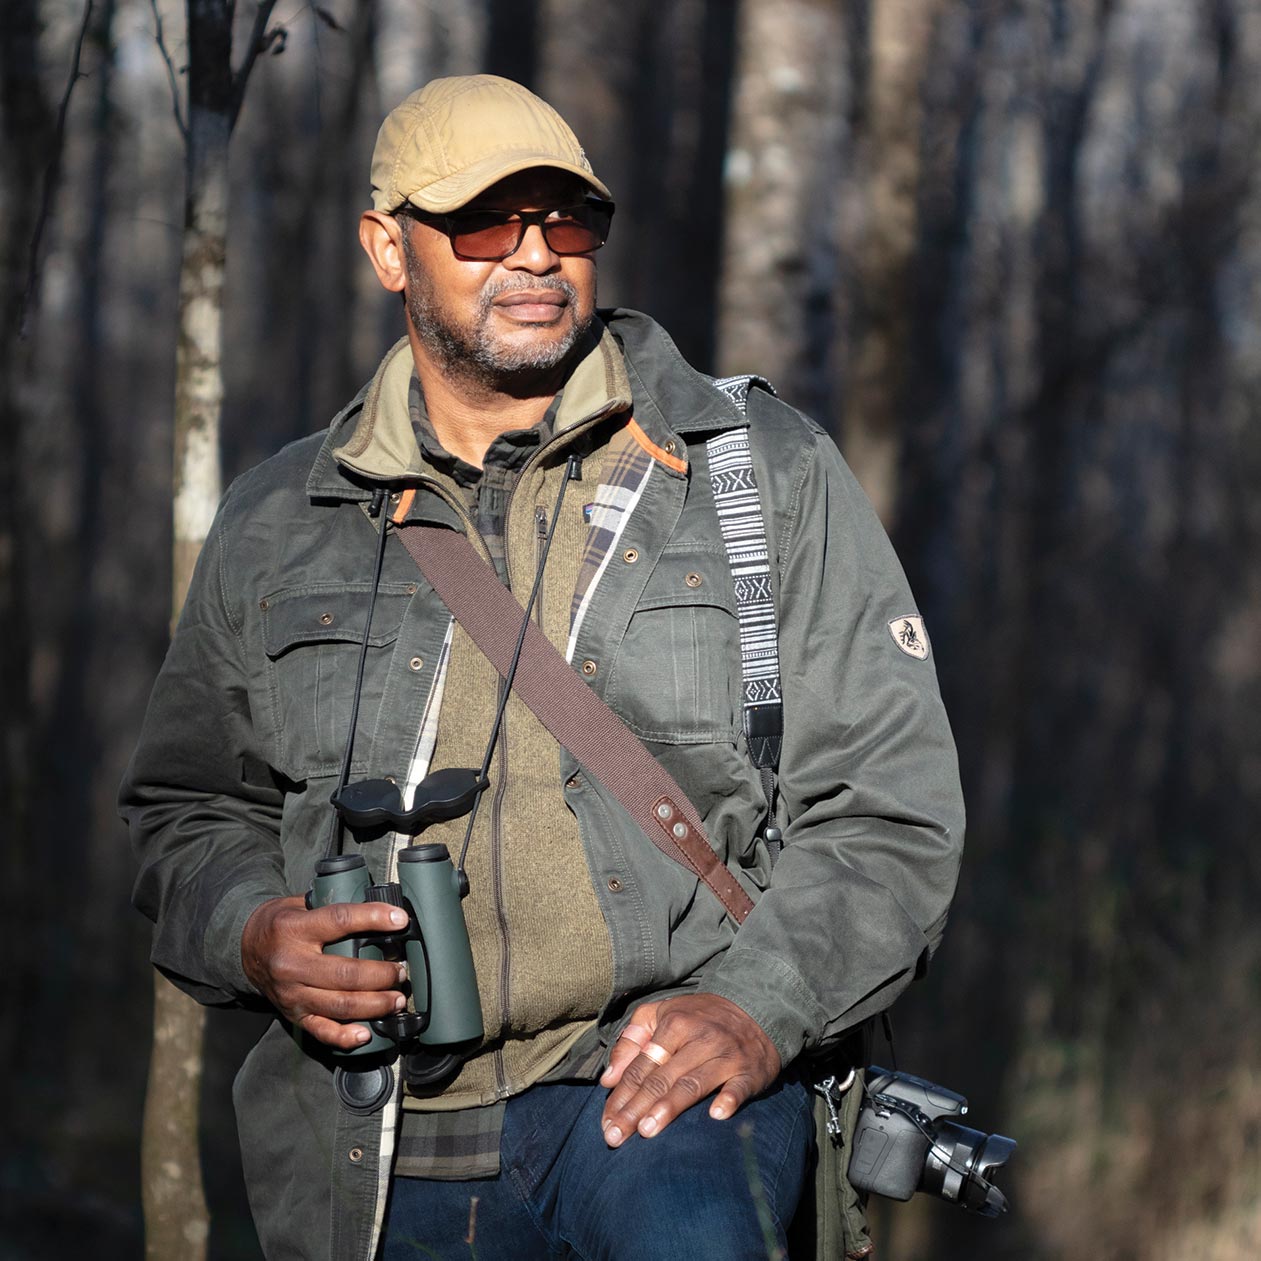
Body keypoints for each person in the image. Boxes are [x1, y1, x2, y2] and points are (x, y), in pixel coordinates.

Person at [122, 74, 964, 1261]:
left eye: (565, 223)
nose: (534, 258)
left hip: (663, 1099)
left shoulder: (753, 474)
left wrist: (753, 1006)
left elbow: (891, 809)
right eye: (482, 224)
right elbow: (184, 808)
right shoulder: (281, 520)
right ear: (387, 249)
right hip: (368, 1138)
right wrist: (253, 931)